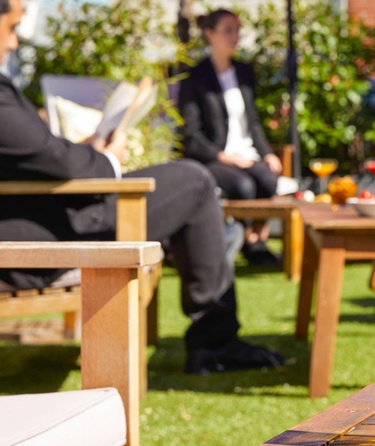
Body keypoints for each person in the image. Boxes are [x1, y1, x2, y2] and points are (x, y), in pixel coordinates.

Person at [0, 0, 285, 375]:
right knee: (195, 180)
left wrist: (84, 150)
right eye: (11, 27)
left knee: (199, 181)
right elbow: (50, 159)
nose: (14, 43)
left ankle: (215, 338)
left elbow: (33, 153)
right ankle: (215, 343)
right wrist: (108, 160)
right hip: (47, 233)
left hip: (47, 214)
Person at [178, 8, 294, 266]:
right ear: (210, 34)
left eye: (237, 30)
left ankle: (255, 238)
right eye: (228, 30)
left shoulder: (243, 73)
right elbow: (190, 135)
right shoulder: (194, 78)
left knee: (269, 181)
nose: (235, 36)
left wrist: (267, 153)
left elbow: (252, 122)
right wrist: (224, 157)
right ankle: (248, 242)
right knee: (244, 186)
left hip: (247, 154)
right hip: (213, 158)